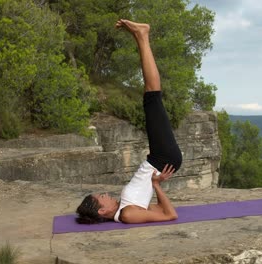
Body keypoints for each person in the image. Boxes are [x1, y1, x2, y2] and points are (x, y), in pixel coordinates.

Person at [76, 19, 183, 224]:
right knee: (152, 97)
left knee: (151, 97)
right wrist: (157, 185)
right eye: (102, 198)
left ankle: (140, 36)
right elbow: (169, 214)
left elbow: (156, 208)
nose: (106, 194)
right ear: (101, 211)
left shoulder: (126, 208)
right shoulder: (127, 214)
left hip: (158, 160)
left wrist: (155, 184)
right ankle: (142, 35)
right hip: (163, 159)